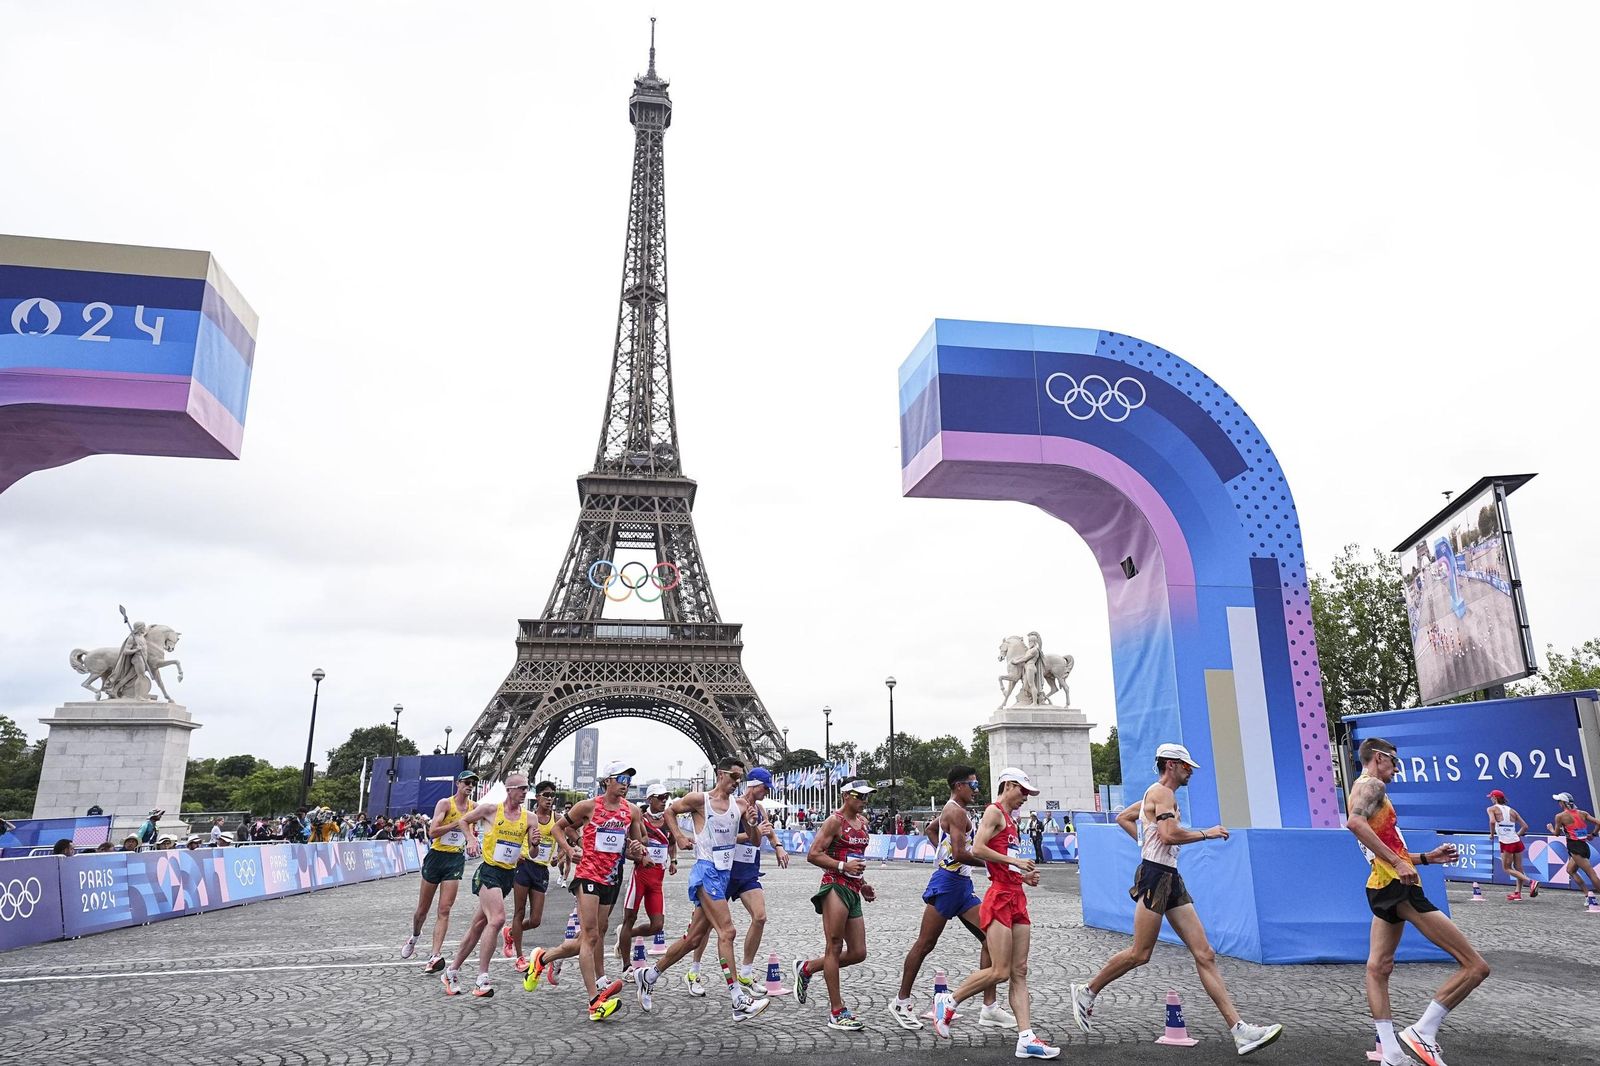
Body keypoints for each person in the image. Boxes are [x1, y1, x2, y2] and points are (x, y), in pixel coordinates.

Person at [1068, 744, 1283, 1056]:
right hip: (1155, 875)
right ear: (1171, 765)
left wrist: (1145, 839)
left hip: (1169, 876)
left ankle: (1240, 1031)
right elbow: (1169, 835)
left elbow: (1126, 818)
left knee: (1205, 953)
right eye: (1186, 766)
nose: (1191, 771)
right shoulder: (1162, 793)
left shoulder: (1154, 796)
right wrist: (1206, 834)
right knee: (1140, 953)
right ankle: (1087, 991)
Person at [1346, 737, 1488, 1066]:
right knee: (1476, 966)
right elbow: (1354, 823)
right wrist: (1398, 864)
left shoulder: (1362, 787)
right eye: (1394, 762)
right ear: (1378, 758)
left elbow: (1386, 849)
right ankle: (1423, 1031)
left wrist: (1426, 857)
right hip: (1398, 887)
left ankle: (1391, 1053)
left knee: (1377, 968)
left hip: (1383, 886)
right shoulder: (1373, 787)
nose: (1396, 769)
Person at [630, 757, 772, 1024]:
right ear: (720, 774)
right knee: (727, 931)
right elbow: (671, 811)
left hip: (724, 873)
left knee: (693, 939)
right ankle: (737, 998)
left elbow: (753, 842)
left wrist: (752, 824)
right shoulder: (700, 800)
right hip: (705, 872)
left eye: (740, 778)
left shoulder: (741, 805)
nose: (736, 782)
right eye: (733, 776)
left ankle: (649, 976)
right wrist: (680, 837)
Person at [930, 768, 1056, 1058]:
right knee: (1000, 971)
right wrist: (1014, 861)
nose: (1026, 797)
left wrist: (1023, 876)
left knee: (1019, 971)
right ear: (1008, 785)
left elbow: (999, 862)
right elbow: (978, 848)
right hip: (999, 897)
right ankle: (949, 1001)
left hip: (1017, 896)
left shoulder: (1012, 819)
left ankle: (1026, 1038)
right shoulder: (994, 812)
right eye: (1023, 791)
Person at [526, 760, 650, 1022]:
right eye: (621, 779)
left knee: (591, 936)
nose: (625, 785)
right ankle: (595, 1000)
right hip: (588, 876)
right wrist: (571, 849)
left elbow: (636, 845)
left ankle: (543, 958)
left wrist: (638, 850)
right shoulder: (588, 806)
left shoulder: (632, 811)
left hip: (612, 878)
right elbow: (559, 827)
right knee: (591, 935)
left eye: (629, 780)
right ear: (607, 781)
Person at [890, 765, 1006, 1031]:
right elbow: (960, 853)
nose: (977, 790)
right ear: (958, 786)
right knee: (925, 944)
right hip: (948, 884)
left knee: (990, 936)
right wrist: (993, 863)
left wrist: (942, 854)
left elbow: (932, 830)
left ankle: (989, 1007)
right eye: (973, 785)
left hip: (961, 885)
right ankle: (901, 1001)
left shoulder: (953, 810)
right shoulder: (955, 811)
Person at [682, 767, 791, 995]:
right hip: (725, 871)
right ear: (753, 785)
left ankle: (746, 972)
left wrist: (778, 846)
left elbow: (767, 831)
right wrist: (753, 831)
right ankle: (694, 971)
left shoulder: (760, 809)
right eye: (764, 788)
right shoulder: (735, 805)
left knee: (760, 917)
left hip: (748, 873)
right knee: (704, 928)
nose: (765, 792)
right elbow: (724, 835)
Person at [793, 779, 877, 1032]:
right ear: (845, 795)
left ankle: (807, 968)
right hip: (834, 886)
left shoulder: (863, 823)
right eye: (859, 795)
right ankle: (837, 1011)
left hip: (852, 888)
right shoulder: (834, 821)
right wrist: (842, 867)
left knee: (858, 952)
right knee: (834, 946)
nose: (864, 800)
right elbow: (813, 854)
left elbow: (856, 860)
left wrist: (862, 883)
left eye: (867, 796)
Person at [442, 771, 532, 999]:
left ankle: (451, 971)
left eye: (526, 788)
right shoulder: (491, 809)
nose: (525, 792)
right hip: (489, 871)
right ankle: (482, 978)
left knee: (477, 926)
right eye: (521, 788)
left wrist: (533, 846)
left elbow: (532, 851)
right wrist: (471, 839)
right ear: (510, 790)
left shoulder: (529, 818)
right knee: (498, 919)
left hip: (508, 876)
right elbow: (463, 820)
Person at [405, 770, 480, 974]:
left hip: (455, 859)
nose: (470, 786)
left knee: (444, 909)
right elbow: (432, 832)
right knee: (422, 910)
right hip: (436, 857)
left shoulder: (475, 808)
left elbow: (487, 826)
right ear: (458, 783)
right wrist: (459, 823)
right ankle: (415, 936)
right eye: (467, 782)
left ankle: (434, 955)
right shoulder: (446, 804)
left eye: (473, 783)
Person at [612, 781, 677, 978]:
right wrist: (641, 857)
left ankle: (626, 934)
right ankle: (626, 966)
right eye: (660, 798)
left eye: (666, 797)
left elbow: (672, 843)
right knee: (629, 918)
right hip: (639, 877)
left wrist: (673, 860)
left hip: (657, 880)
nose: (664, 801)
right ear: (649, 800)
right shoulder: (639, 820)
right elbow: (625, 850)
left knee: (657, 925)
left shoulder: (668, 820)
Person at [504, 780, 569, 971]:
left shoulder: (557, 819)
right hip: (524, 865)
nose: (550, 799)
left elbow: (564, 841)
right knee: (519, 911)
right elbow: (514, 837)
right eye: (546, 795)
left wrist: (560, 855)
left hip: (541, 869)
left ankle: (511, 932)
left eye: (552, 795)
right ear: (538, 796)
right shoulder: (528, 817)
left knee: (535, 920)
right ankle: (519, 957)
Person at [1547, 792, 1599, 906]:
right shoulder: (1582, 813)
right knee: (1570, 870)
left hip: (1575, 847)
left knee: (1591, 873)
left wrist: (1551, 828)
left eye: (1559, 802)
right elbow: (1598, 823)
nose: (1558, 804)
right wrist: (1593, 835)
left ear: (1562, 803)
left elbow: (1556, 834)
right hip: (1584, 845)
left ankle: (1589, 895)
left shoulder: (1560, 816)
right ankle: (1587, 895)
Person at [1485, 790, 1535, 900]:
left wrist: (1492, 834)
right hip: (1516, 840)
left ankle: (1531, 882)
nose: (1490, 799)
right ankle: (1518, 892)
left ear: (1494, 798)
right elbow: (1525, 826)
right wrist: (1516, 835)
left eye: (1491, 797)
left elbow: (1492, 822)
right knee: (1518, 868)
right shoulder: (1512, 810)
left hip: (1506, 841)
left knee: (1506, 868)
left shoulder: (1491, 809)